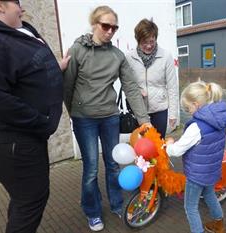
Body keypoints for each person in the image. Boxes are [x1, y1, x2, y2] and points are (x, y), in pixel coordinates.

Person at [0, 1, 70, 232]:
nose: (22, 7)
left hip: (25, 135)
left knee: (24, 198)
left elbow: (24, 69)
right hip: (13, 139)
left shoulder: (16, 31)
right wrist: (41, 122)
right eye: (17, 2)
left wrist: (55, 68)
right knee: (31, 199)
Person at [63, 5, 150, 232]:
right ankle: (92, 211)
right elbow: (67, 85)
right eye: (105, 26)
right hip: (85, 119)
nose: (110, 31)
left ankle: (117, 203)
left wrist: (144, 119)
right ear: (94, 24)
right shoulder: (78, 50)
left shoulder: (117, 56)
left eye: (114, 27)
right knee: (91, 168)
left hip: (110, 117)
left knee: (113, 165)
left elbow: (131, 88)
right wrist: (73, 112)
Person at [166, 81, 226, 233]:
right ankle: (219, 225)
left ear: (196, 104)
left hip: (196, 174)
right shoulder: (220, 119)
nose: (189, 112)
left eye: (188, 108)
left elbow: (176, 150)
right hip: (211, 169)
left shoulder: (197, 126)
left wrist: (168, 145)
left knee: (190, 207)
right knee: (209, 195)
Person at [126, 18, 178, 138]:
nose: (149, 46)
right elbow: (126, 84)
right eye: (144, 42)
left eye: (152, 41)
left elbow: (172, 87)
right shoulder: (129, 58)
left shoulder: (165, 56)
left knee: (158, 147)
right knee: (140, 148)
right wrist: (137, 91)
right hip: (138, 110)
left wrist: (173, 114)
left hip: (159, 110)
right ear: (138, 40)